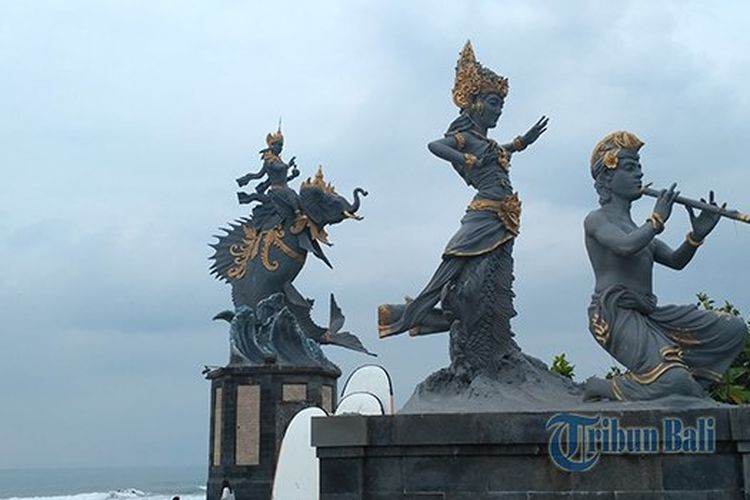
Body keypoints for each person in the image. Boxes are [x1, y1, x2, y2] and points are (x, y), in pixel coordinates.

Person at [378, 41, 547, 370]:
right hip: (484, 216)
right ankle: (410, 319)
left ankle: (499, 342)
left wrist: (522, 142)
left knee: (496, 281)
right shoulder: (464, 138)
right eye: (495, 103)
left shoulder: (487, 142)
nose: (499, 110)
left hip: (503, 219)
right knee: (461, 278)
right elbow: (434, 145)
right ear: (476, 102)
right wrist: (463, 157)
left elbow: (501, 151)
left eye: (502, 105)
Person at [583, 131, 747, 401]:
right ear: (607, 178)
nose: (638, 174)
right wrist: (657, 219)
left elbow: (675, 261)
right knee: (672, 380)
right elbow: (626, 246)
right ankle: (602, 387)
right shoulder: (597, 220)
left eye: (639, 168)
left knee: (733, 328)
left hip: (649, 314)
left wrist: (696, 236)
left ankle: (690, 386)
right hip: (615, 314)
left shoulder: (638, 229)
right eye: (630, 167)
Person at [236, 126, 301, 229]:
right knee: (291, 195)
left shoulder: (278, 160)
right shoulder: (269, 160)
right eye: (278, 145)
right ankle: (298, 216)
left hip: (284, 188)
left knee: (295, 196)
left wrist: (293, 176)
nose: (280, 148)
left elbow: (282, 178)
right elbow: (277, 168)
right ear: (272, 145)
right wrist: (288, 165)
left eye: (281, 146)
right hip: (277, 190)